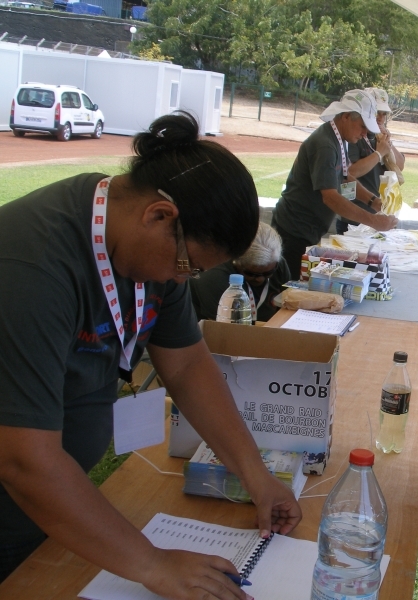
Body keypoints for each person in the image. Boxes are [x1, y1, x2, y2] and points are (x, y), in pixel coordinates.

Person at [0, 112, 301, 600]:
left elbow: (186, 366)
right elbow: (23, 461)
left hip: (59, 506)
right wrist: (152, 565)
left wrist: (256, 475)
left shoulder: (153, 256)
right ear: (159, 216)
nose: (183, 281)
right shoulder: (30, 267)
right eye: (188, 266)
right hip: (17, 505)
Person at [272, 89, 399, 279]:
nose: (365, 132)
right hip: (294, 231)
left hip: (305, 230)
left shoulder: (339, 139)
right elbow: (331, 197)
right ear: (346, 116)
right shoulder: (326, 145)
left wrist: (374, 202)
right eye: (363, 125)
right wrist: (373, 221)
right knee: (286, 288)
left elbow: (345, 179)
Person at [336, 87, 406, 234]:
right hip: (354, 218)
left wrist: (388, 145)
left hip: (377, 215)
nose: (380, 118)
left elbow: (400, 166)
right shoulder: (355, 136)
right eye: (376, 113)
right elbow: (349, 173)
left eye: (384, 114)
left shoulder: (379, 138)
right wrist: (379, 154)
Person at [190, 222, 291, 323]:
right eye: (251, 274)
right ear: (236, 262)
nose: (260, 279)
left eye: (268, 273)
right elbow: (223, 330)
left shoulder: (279, 266)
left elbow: (288, 307)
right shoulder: (214, 278)